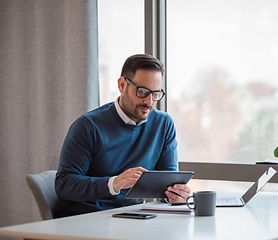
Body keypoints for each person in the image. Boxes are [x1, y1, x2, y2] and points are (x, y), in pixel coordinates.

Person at [54, 54, 191, 218]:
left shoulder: (164, 124)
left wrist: (176, 194)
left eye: (155, 94)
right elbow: (64, 185)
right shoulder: (88, 126)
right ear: (122, 85)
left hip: (131, 217)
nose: (149, 101)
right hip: (84, 218)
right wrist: (115, 183)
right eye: (142, 91)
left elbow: (167, 182)